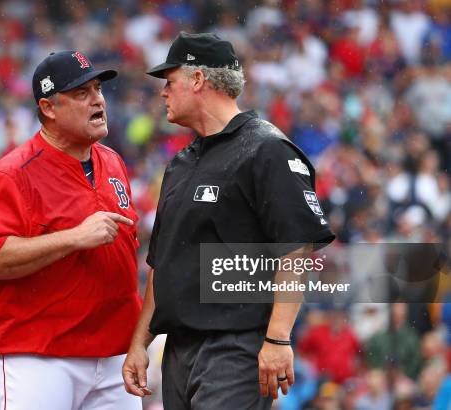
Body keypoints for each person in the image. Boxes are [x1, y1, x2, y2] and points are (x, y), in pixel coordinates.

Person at [122, 32, 335, 409]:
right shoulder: (180, 163)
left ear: (198, 80)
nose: (163, 93)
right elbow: (162, 264)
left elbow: (296, 248)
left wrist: (278, 338)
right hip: (179, 350)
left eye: (169, 82)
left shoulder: (265, 148)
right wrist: (140, 343)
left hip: (235, 346)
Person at [0, 50, 142, 409]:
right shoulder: (12, 174)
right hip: (37, 354)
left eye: (97, 89)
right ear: (48, 108)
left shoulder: (112, 161)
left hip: (112, 353)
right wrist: (74, 237)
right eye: (81, 93)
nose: (97, 99)